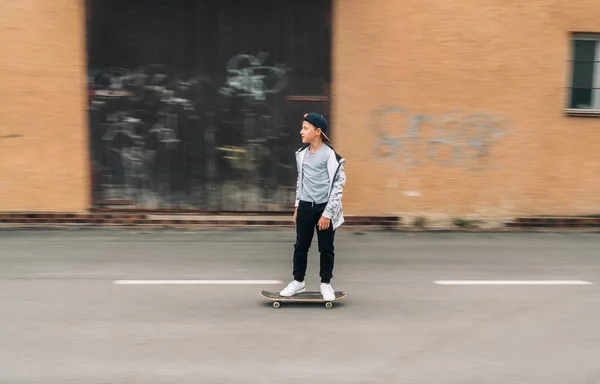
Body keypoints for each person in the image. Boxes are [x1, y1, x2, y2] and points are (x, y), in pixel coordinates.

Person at [279, 112, 347, 301]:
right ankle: (298, 282)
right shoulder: (301, 155)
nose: (301, 131)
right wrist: (297, 205)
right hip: (306, 207)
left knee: (326, 248)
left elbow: (337, 186)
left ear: (317, 131)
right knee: (300, 246)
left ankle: (326, 284)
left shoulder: (331, 156)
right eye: (302, 127)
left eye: (305, 128)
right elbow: (301, 180)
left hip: (325, 208)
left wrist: (327, 214)